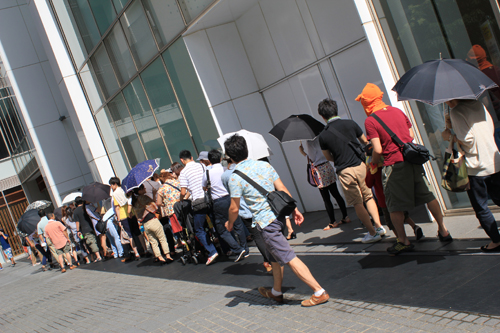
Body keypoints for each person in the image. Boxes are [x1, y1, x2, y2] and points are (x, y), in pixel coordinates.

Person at [225, 134, 329, 306]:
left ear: (230, 157)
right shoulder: (264, 165)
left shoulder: (235, 177)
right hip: (279, 215)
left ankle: (319, 291)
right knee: (274, 258)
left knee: (288, 257)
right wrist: (294, 209)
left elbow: (234, 208)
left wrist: (229, 223)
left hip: (266, 224)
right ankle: (276, 292)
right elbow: (281, 188)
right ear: (246, 149)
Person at [359, 83, 451, 255]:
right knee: (428, 195)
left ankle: (403, 241)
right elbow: (411, 135)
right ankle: (443, 230)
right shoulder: (397, 111)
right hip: (412, 160)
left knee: (394, 206)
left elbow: (377, 149)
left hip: (394, 165)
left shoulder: (371, 120)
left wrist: (373, 163)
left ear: (367, 102)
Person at [317, 98, 385, 243]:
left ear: (322, 116)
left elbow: (328, 156)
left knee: (357, 202)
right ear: (336, 110)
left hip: (344, 171)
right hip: (360, 166)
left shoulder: (323, 135)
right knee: (368, 197)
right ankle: (379, 227)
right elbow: (365, 142)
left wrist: (340, 158)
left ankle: (372, 233)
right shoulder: (351, 124)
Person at [442, 99, 500, 252]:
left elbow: (467, 139)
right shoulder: (478, 104)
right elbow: (491, 127)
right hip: (494, 161)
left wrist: (450, 136)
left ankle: (496, 241)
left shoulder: (457, 112)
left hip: (475, 167)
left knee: (481, 207)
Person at [222, 156, 272, 271]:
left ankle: (269, 261)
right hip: (260, 206)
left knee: (257, 236)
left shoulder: (226, 176)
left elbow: (231, 194)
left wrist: (230, 222)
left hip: (245, 210)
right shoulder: (251, 167)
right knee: (268, 233)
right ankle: (274, 259)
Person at [203, 149, 248, 262]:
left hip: (218, 202)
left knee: (221, 230)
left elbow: (204, 187)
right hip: (231, 197)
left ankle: (237, 249)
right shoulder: (225, 170)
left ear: (209, 160)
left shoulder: (207, 173)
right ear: (220, 159)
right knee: (238, 224)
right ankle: (245, 249)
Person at [298, 139, 350, 230]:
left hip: (319, 170)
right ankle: (345, 216)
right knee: (336, 193)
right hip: (328, 166)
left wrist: (303, 152)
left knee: (326, 198)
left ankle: (332, 222)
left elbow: (312, 158)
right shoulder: (320, 138)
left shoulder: (310, 142)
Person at [179, 150, 219, 265]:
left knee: (199, 229)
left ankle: (212, 251)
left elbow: (183, 191)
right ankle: (227, 248)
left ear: (182, 160)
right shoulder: (201, 165)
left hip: (198, 203)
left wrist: (181, 199)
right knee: (216, 223)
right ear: (191, 157)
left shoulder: (183, 172)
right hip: (209, 199)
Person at [133, 184, 173, 263]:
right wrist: (155, 194)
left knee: (153, 242)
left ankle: (160, 257)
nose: (145, 189)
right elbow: (154, 206)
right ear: (139, 190)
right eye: (143, 188)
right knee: (162, 238)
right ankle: (168, 256)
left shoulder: (134, 201)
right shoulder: (144, 198)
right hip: (152, 220)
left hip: (145, 224)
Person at [109, 177, 141, 261]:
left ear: (114, 184)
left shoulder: (115, 194)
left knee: (129, 235)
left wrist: (118, 220)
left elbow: (117, 208)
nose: (111, 187)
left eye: (111, 185)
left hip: (123, 216)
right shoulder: (124, 189)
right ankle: (143, 249)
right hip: (132, 213)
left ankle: (136, 252)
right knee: (138, 232)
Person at [156, 168, 185, 255]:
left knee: (180, 231)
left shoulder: (162, 188)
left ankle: (184, 244)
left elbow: (158, 202)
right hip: (182, 207)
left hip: (172, 211)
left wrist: (164, 204)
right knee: (187, 228)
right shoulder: (177, 182)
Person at [73, 197, 102, 262]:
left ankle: (98, 256)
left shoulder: (76, 211)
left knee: (91, 242)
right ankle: (102, 253)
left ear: (76, 203)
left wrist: (78, 231)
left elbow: (77, 222)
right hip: (93, 226)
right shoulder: (86, 207)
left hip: (84, 229)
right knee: (97, 240)